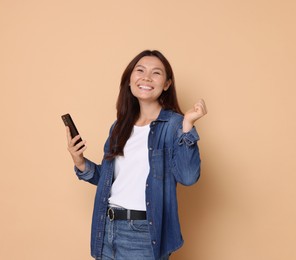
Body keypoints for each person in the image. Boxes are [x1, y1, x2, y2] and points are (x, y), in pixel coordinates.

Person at [65, 50, 207, 260]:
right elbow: (108, 180)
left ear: (167, 84)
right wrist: (80, 162)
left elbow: (188, 177)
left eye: (156, 73)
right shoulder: (119, 126)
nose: (146, 77)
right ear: (130, 79)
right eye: (140, 70)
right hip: (106, 228)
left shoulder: (174, 124)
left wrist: (187, 125)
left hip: (143, 233)